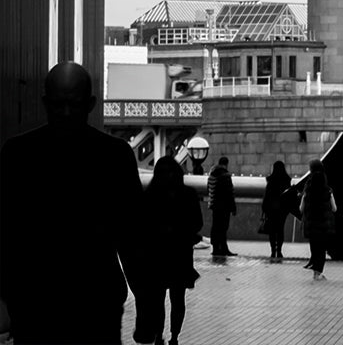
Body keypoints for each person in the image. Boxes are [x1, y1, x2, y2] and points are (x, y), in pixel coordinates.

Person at [0, 60, 151, 345]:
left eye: (72, 104)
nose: (66, 112)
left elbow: (7, 234)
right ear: (93, 103)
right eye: (60, 105)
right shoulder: (114, 157)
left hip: (35, 304)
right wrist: (147, 306)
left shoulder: (17, 155)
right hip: (96, 304)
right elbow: (133, 240)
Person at [142, 155, 203, 345]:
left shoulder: (150, 195)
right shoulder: (189, 194)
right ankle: (174, 336)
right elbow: (198, 223)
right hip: (180, 253)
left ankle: (159, 335)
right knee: (178, 299)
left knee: (157, 299)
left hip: (157, 254)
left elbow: (143, 225)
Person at [300, 159, 336, 282]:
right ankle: (318, 273)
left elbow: (301, 208)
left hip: (311, 224)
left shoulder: (307, 190)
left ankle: (315, 272)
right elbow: (335, 208)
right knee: (321, 250)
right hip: (324, 225)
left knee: (314, 248)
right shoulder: (328, 190)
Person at [261, 160, 292, 262]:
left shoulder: (271, 180)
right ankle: (279, 250)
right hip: (282, 209)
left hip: (271, 209)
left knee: (272, 231)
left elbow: (267, 195)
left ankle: (272, 251)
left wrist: (264, 208)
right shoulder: (286, 180)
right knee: (280, 229)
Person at [206, 155, 236, 256]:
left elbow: (208, 189)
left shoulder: (212, 174)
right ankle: (223, 248)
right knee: (223, 227)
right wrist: (233, 208)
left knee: (215, 227)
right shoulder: (226, 176)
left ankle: (215, 248)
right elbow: (230, 193)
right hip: (224, 207)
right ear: (226, 164)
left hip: (215, 206)